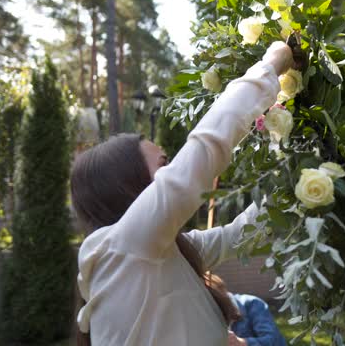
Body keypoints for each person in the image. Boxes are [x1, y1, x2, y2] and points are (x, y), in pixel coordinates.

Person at [71, 41, 293, 346]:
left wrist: (299, 173)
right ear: (128, 186)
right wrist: (271, 64)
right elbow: (206, 147)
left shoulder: (165, 251)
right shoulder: (120, 248)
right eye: (164, 164)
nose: (173, 169)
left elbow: (240, 233)